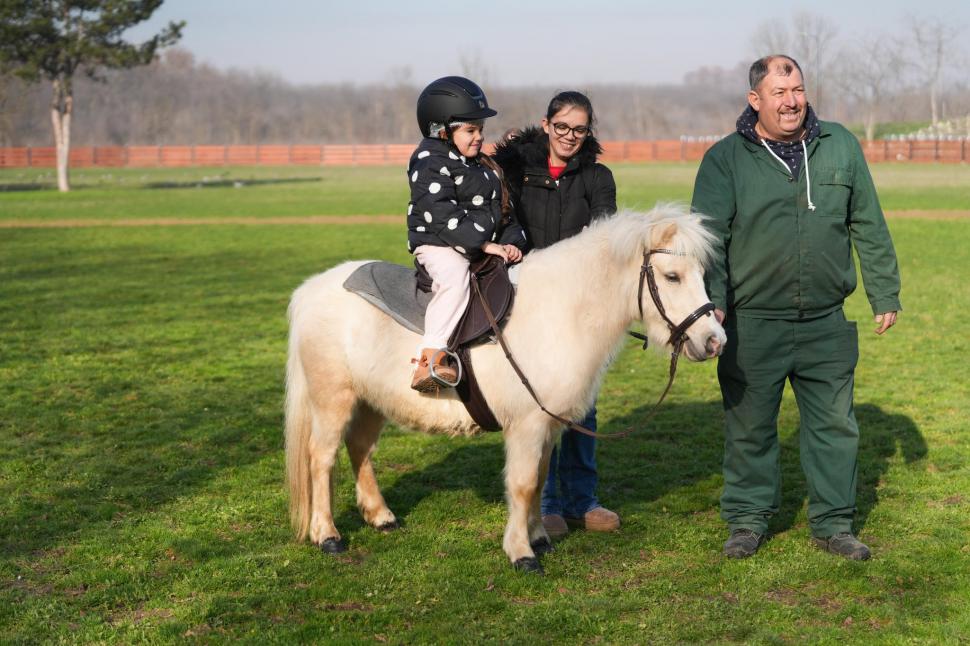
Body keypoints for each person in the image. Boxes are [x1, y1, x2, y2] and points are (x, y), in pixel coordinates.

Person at [691, 55, 901, 560]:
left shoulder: (840, 145)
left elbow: (867, 221)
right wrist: (713, 304)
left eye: (798, 90)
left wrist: (884, 291)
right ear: (755, 100)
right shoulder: (725, 159)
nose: (792, 102)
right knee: (749, 428)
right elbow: (709, 240)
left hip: (826, 322)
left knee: (835, 428)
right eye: (779, 93)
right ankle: (747, 520)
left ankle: (834, 524)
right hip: (753, 323)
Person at [494, 91, 618, 539]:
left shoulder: (597, 177)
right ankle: (546, 504)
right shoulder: (517, 170)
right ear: (546, 125)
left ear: (588, 131)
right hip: (529, 298)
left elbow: (604, 236)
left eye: (579, 129)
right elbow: (502, 217)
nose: (570, 136)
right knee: (538, 404)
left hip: (580, 302)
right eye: (562, 126)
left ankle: (582, 500)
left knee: (582, 405)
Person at [407, 76, 525, 392]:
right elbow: (440, 214)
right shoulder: (429, 161)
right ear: (441, 130)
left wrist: (511, 241)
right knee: (454, 277)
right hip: (438, 243)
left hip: (478, 243)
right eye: (470, 130)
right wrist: (483, 244)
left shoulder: (483, 166)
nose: (479, 137)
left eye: (480, 130)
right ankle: (429, 358)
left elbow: (503, 208)